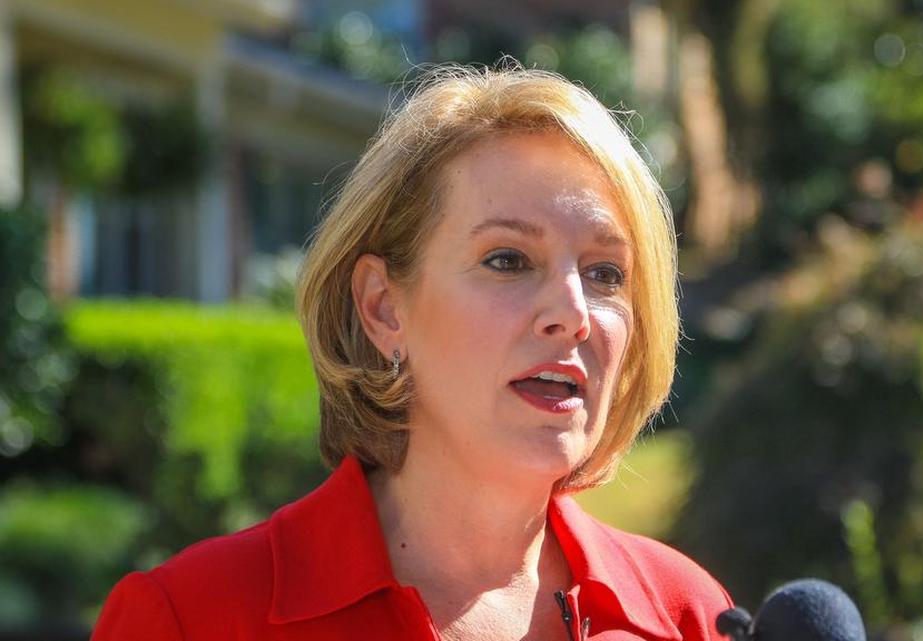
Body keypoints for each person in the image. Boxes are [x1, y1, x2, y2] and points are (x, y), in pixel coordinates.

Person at [91, 63, 731, 641]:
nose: (573, 315)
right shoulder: (190, 618)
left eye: (606, 274)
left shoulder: (690, 616)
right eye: (508, 260)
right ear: (382, 308)